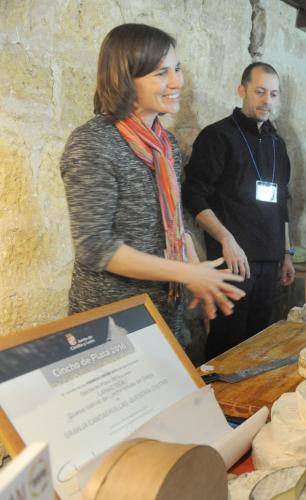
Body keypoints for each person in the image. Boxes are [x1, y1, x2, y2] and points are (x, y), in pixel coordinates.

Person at [60, 23, 244, 345]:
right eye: (161, 73)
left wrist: (198, 271)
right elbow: (95, 248)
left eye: (177, 68)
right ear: (125, 79)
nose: (177, 82)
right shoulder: (93, 143)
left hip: (163, 314)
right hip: (110, 323)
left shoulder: (166, 144)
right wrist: (186, 273)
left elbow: (173, 223)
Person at [183, 63, 294, 359]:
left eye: (273, 93)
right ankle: (217, 404)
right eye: (259, 91)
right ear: (242, 90)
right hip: (233, 260)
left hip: (269, 261)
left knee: (258, 342)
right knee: (226, 344)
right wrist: (226, 239)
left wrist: (286, 254)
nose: (267, 100)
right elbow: (193, 195)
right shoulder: (217, 136)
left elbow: (283, 203)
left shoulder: (277, 144)